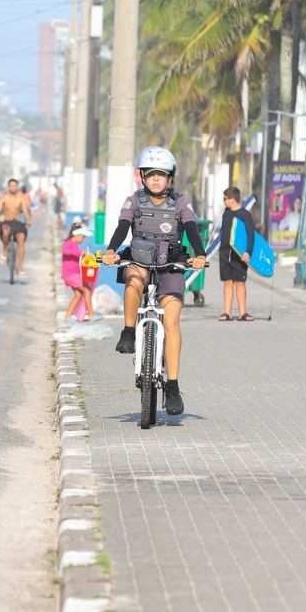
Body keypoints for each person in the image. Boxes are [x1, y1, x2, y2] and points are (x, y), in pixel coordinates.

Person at [101, 146, 206, 416]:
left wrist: (200, 254)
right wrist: (112, 251)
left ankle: (172, 386)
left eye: (161, 175)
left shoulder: (181, 203)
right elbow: (123, 226)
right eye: (150, 174)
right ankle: (128, 331)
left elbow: (192, 229)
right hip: (141, 260)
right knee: (134, 277)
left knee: (171, 321)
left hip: (171, 265)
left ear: (170, 178)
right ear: (142, 177)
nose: (156, 179)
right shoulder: (133, 201)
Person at [218, 186, 256, 322]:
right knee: (227, 282)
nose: (224, 201)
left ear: (232, 199)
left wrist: (248, 252)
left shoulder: (245, 215)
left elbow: (250, 235)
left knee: (240, 282)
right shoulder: (226, 214)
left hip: (239, 255)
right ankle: (227, 312)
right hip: (225, 252)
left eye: (225, 198)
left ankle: (242, 313)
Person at [0, 178, 32, 276]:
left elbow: (25, 211)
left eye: (15, 185)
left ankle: (20, 266)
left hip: (17, 222)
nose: (13, 187)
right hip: (7, 221)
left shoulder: (21, 198)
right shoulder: (5, 197)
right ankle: (5, 250)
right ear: (8, 186)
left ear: (17, 187)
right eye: (11, 185)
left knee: (21, 239)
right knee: (6, 232)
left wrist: (28, 220)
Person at [62, 221, 95, 322]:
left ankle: (67, 316)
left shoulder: (74, 244)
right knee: (87, 290)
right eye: (83, 237)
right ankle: (91, 315)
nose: (83, 239)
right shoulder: (68, 243)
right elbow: (65, 251)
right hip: (70, 274)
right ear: (77, 235)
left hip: (73, 274)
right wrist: (80, 253)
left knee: (78, 295)